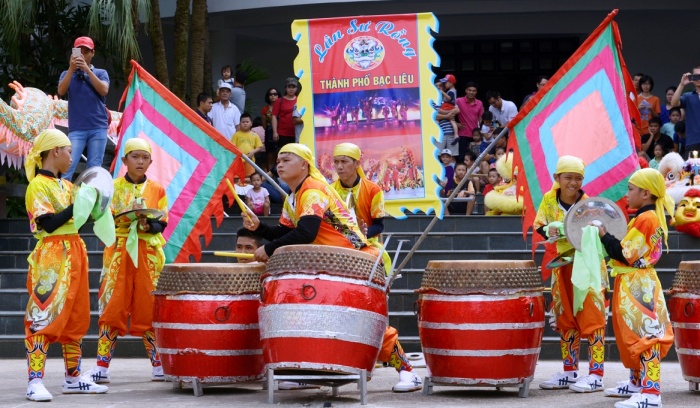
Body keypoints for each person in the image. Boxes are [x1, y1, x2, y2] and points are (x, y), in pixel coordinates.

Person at [242, 143, 422, 393]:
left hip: (358, 260)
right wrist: (259, 228)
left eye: (286, 159)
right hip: (331, 265)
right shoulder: (294, 195)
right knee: (314, 322)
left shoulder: (313, 190)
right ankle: (309, 373)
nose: (279, 164)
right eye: (278, 160)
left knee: (365, 323)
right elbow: (286, 231)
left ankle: (408, 372)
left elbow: (306, 232)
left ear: (304, 164)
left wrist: (269, 249)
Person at [329, 142, 423, 392]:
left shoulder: (372, 189)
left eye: (344, 162)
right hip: (339, 259)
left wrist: (361, 233)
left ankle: (407, 371)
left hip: (369, 258)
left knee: (373, 320)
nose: (339, 167)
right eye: (336, 162)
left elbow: (379, 225)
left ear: (356, 164)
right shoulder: (329, 191)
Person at [23, 129, 109, 401]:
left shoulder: (68, 186)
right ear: (55, 151)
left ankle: (73, 377)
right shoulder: (38, 185)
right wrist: (79, 204)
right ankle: (34, 381)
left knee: (76, 318)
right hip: (51, 255)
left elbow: (84, 217)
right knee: (42, 315)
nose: (72, 156)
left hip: (74, 252)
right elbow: (47, 223)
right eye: (69, 151)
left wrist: (96, 201)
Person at [85, 138, 168, 385]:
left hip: (148, 255)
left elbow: (162, 222)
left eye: (145, 157)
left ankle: (158, 364)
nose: (140, 161)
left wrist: (147, 223)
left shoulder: (158, 189)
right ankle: (101, 366)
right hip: (119, 251)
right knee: (112, 305)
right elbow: (101, 218)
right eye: (135, 156)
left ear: (151, 161)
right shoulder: (111, 187)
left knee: (149, 305)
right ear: (124, 161)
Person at [594, 168, 675, 408]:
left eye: (631, 190)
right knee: (632, 333)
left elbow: (625, 254)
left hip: (638, 283)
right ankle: (637, 382)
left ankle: (651, 393)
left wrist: (603, 234)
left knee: (646, 335)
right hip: (633, 280)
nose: (627, 194)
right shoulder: (645, 216)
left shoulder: (646, 218)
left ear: (646, 193)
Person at [534, 156, 608, 393]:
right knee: (566, 320)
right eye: (568, 178)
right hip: (562, 266)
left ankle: (596, 375)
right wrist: (549, 229)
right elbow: (540, 225)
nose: (573, 183)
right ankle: (570, 371)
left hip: (588, 266)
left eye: (578, 178)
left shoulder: (588, 204)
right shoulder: (548, 199)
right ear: (557, 178)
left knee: (594, 319)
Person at [58, 36, 110, 181]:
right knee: (67, 167)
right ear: (73, 53)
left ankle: (89, 202)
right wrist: (71, 69)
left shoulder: (101, 73)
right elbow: (61, 91)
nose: (83, 55)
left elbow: (104, 90)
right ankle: (62, 201)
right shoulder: (66, 74)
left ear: (93, 53)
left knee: (93, 171)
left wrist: (87, 70)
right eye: (79, 51)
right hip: (77, 129)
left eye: (86, 51)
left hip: (98, 127)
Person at [671, 66, 700, 155]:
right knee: (693, 169)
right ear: (692, 78)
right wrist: (682, 84)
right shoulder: (688, 96)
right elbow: (674, 103)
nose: (698, 79)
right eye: (696, 76)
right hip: (693, 141)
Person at [455, 81, 484, 161]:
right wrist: (456, 123)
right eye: (469, 90)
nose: (471, 92)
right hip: (462, 134)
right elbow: (450, 112)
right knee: (461, 156)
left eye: (474, 91)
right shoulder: (458, 101)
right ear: (466, 90)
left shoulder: (479, 103)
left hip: (475, 135)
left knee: (475, 157)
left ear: (476, 92)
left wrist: (480, 130)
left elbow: (481, 118)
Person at [272, 77, 301, 150]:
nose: (291, 89)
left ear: (296, 88)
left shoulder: (300, 99)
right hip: (283, 133)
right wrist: (275, 132)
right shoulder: (279, 101)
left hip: (297, 132)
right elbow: (274, 116)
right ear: (286, 88)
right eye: (289, 87)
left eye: (293, 87)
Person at [261, 88, 280, 170]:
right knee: (270, 155)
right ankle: (271, 179)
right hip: (269, 134)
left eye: (275, 94)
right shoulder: (265, 109)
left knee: (281, 155)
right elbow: (264, 125)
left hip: (282, 132)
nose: (273, 96)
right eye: (270, 94)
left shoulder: (282, 107)